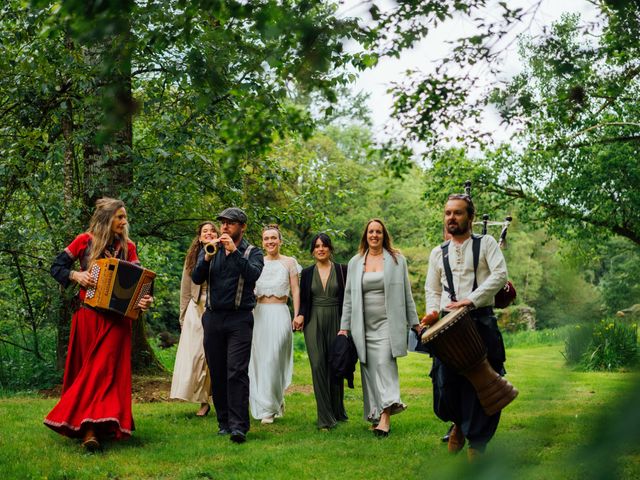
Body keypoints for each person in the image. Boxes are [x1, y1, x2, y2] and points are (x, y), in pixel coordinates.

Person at [45, 198, 154, 451]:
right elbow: (56, 266)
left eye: (125, 217)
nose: (124, 222)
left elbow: (141, 283)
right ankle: (89, 428)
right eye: (120, 217)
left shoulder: (129, 247)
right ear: (107, 218)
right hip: (88, 315)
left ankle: (100, 424)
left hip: (118, 320)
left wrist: (145, 299)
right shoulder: (84, 240)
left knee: (105, 372)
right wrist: (76, 275)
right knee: (90, 370)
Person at [424, 193, 509, 460]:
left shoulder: (487, 244)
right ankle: (458, 425)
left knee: (484, 385)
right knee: (445, 386)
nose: (452, 218)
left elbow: (500, 275)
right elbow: (432, 288)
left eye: (458, 213)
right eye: (448, 213)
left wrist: (470, 301)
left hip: (480, 321)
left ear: (470, 217)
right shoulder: (438, 252)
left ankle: (477, 445)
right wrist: (432, 313)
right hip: (447, 327)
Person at [339, 219, 420, 437]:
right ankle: (375, 414)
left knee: (385, 364)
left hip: (388, 323)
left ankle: (385, 417)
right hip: (362, 325)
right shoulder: (356, 262)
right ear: (365, 235)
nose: (374, 235)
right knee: (369, 370)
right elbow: (348, 297)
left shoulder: (396, 260)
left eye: (379, 232)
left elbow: (406, 294)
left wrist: (415, 322)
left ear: (384, 235)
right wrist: (344, 327)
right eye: (371, 232)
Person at [192, 207, 264, 444]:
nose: (224, 227)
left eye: (230, 223)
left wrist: (234, 253)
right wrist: (207, 257)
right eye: (222, 223)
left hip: (239, 319)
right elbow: (196, 278)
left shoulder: (253, 252)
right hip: (213, 318)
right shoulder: (210, 249)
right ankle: (223, 423)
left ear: (242, 227)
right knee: (218, 372)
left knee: (236, 371)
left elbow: (253, 275)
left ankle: (239, 426)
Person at [294, 233, 348, 430]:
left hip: (337, 319)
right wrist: (299, 314)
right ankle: (325, 418)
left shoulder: (343, 270)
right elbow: (305, 299)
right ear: (312, 250)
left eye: (324, 245)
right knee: (318, 365)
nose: (320, 249)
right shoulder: (307, 273)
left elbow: (348, 299)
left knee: (335, 365)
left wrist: (347, 325)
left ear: (330, 249)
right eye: (316, 246)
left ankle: (337, 410)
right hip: (313, 321)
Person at [248, 224, 300, 424]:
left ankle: (273, 403)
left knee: (275, 358)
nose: (270, 241)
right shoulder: (256, 262)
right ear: (263, 242)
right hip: (259, 314)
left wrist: (298, 314)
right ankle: (270, 404)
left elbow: (295, 290)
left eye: (273, 238)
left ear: (280, 241)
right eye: (266, 239)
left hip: (280, 313)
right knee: (261, 360)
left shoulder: (289, 263)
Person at [170, 221, 219, 416]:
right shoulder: (192, 257)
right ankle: (203, 401)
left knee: (211, 356)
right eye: (205, 231)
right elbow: (185, 289)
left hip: (216, 305)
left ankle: (212, 396)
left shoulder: (223, 252)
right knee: (197, 355)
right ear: (199, 237)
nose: (208, 233)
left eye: (212, 230)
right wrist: (183, 316)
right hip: (196, 307)